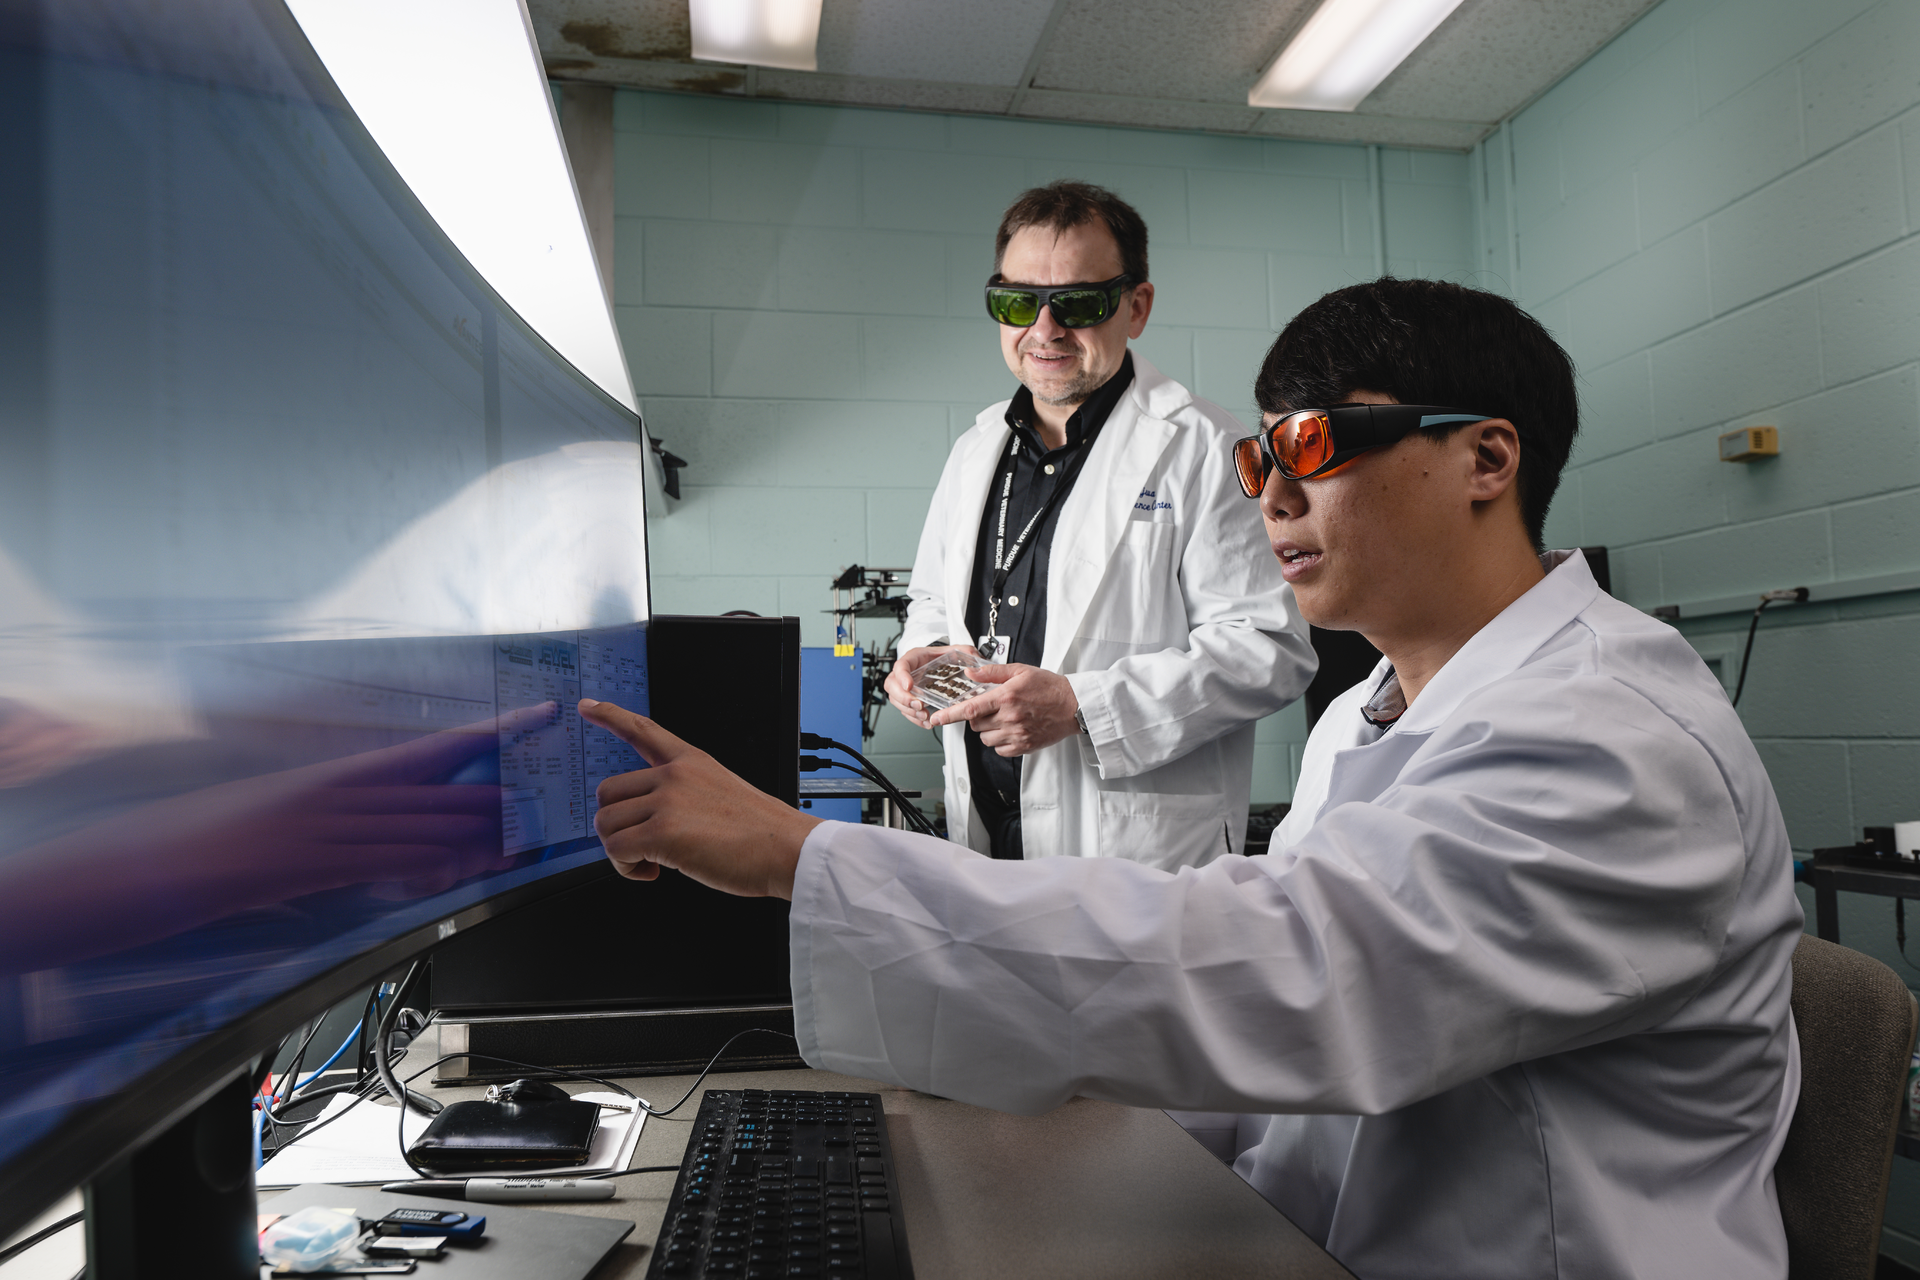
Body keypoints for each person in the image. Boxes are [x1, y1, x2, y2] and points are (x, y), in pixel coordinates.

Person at [580, 279, 1804, 1279]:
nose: (1271, 494)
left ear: (1488, 457)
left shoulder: (1611, 732)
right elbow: (1278, 1060)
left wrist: (805, 856)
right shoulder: (1369, 716)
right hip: (1302, 1233)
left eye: (1315, 446)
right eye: (1257, 454)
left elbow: (1299, 972)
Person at [880, 180, 1315, 868]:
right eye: (1018, 302)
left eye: (1077, 303)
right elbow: (934, 605)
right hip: (989, 835)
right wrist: (922, 662)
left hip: (1139, 853)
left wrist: (1081, 705)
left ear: (1135, 306)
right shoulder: (974, 451)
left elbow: (1268, 649)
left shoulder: (1203, 446)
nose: (1044, 329)